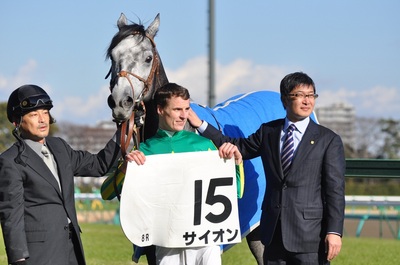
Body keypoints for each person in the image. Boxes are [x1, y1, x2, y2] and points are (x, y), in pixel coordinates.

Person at [188, 72, 345, 265]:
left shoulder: (328, 140)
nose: (307, 101)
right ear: (285, 99)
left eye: (311, 95)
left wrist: (334, 231)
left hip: (310, 237)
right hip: (273, 235)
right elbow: (238, 146)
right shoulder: (269, 131)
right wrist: (201, 125)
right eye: (300, 95)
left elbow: (335, 190)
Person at [0, 84, 121, 265]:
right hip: (38, 255)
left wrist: (124, 130)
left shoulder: (60, 147)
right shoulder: (10, 161)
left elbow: (99, 165)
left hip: (71, 250)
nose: (42, 120)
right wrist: (18, 259)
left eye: (45, 113)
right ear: (17, 122)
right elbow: (12, 217)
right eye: (34, 115)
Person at [126, 82, 244, 265]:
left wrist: (235, 162)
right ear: (160, 110)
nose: (183, 115)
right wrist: (127, 167)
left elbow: (236, 191)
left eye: (187, 109)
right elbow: (109, 192)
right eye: (177, 109)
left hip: (205, 242)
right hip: (167, 242)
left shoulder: (204, 145)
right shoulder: (144, 150)